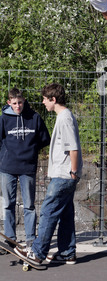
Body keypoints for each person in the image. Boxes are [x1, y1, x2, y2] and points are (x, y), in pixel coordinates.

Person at [15, 83, 83, 266]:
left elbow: (73, 148)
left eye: (45, 99)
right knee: (66, 213)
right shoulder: (63, 117)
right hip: (62, 173)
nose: (43, 102)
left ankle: (37, 254)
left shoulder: (65, 118)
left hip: (65, 175)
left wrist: (73, 172)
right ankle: (68, 253)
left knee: (48, 212)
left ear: (53, 99)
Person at [0, 88, 50, 247]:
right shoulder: (3, 119)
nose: (18, 106)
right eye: (14, 103)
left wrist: (31, 151)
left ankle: (30, 238)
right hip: (7, 167)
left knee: (29, 205)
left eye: (20, 102)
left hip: (27, 167)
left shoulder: (34, 117)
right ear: (9, 103)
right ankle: (10, 238)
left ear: (24, 101)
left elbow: (44, 139)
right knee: (8, 204)